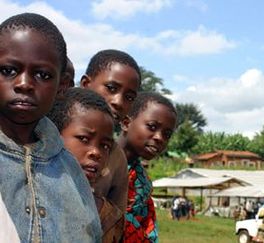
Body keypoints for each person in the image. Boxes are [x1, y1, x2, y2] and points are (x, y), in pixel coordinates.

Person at [0, 13, 102, 241]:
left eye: (42, 75)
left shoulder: (70, 169)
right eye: (8, 71)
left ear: (62, 85)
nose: (24, 84)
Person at [47, 88, 124, 242]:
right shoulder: (26, 196)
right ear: (53, 135)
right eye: (83, 139)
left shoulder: (108, 217)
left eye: (105, 146)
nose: (96, 152)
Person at [81, 49, 141, 223]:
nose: (118, 101)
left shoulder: (116, 159)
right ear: (85, 84)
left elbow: (114, 223)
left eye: (129, 97)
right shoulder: (47, 132)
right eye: (111, 88)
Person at [118, 92, 177, 242]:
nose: (159, 138)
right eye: (152, 127)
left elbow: (147, 227)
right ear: (126, 123)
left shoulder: (142, 181)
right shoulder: (96, 165)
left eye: (167, 134)